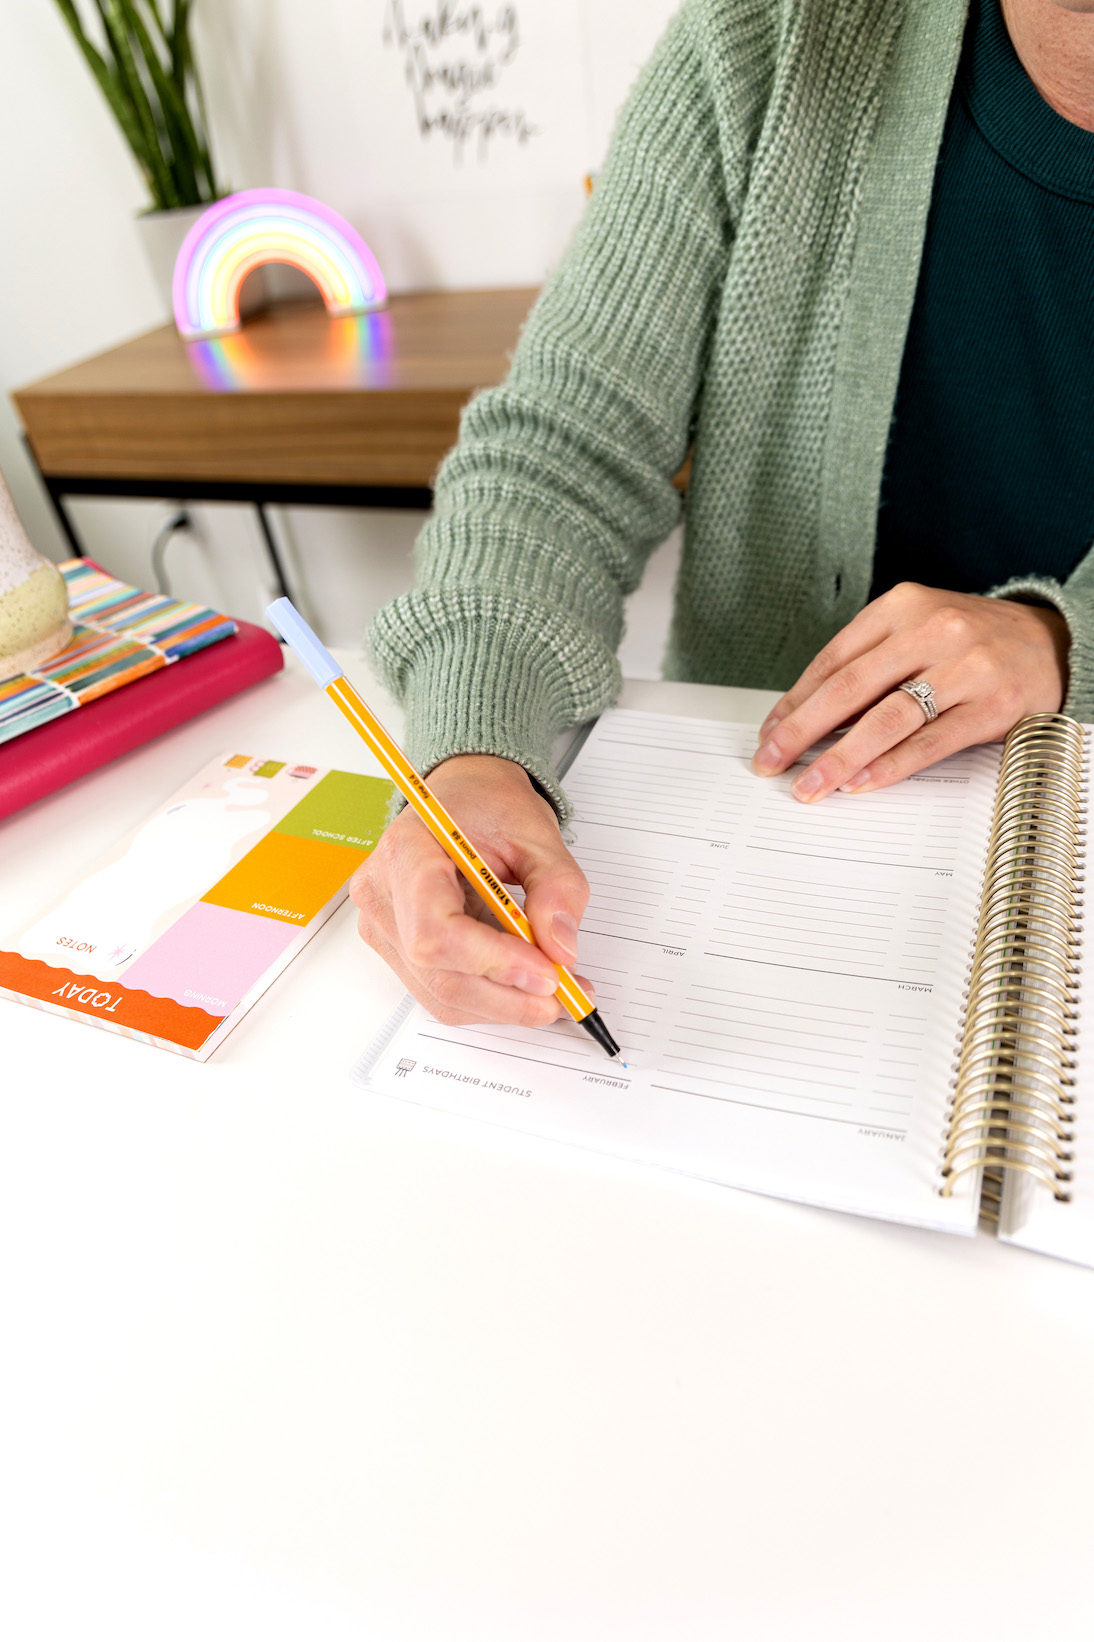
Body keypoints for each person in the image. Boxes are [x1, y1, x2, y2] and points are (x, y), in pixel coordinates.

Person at [353, 0, 1094, 1031]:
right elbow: (562, 452)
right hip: (767, 844)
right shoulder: (768, 39)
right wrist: (473, 749)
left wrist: (1063, 639)